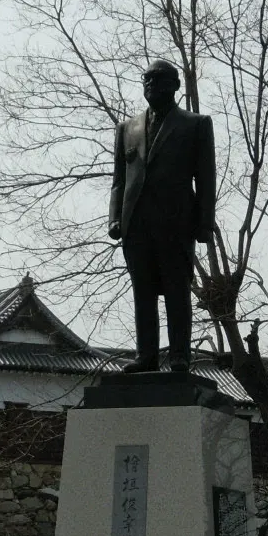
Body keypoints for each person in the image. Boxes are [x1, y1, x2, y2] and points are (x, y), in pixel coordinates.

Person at [108, 59, 216, 373]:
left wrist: (204, 223)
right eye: (147, 81)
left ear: (175, 86)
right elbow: (119, 179)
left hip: (176, 221)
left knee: (176, 290)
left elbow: (206, 178)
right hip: (136, 224)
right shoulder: (127, 129)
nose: (151, 86)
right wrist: (114, 218)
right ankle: (146, 356)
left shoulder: (195, 124)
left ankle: (180, 355)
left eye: (158, 81)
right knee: (142, 291)